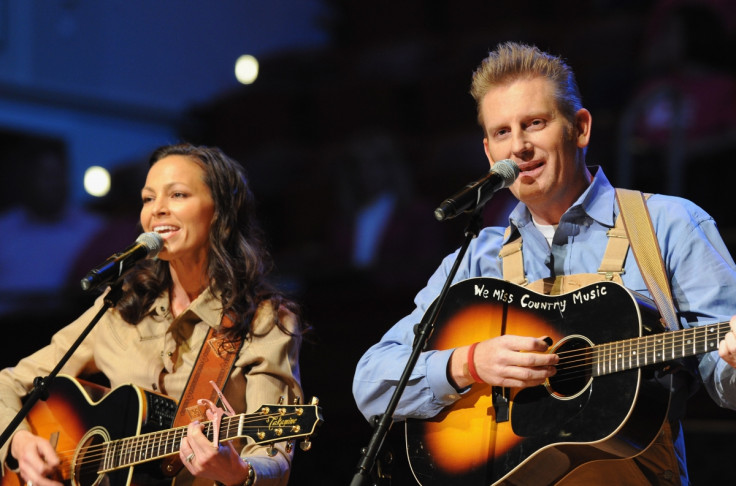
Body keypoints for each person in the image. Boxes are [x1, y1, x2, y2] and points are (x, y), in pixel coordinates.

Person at [352, 41, 736, 485]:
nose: (519, 146)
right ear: (488, 153)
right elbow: (371, 383)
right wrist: (468, 364)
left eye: (534, 123)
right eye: (502, 132)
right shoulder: (478, 257)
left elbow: (725, 385)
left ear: (581, 127)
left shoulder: (667, 225)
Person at [0, 143, 306, 486]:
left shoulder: (264, 321)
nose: (157, 209)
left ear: (220, 211)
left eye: (177, 195)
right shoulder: (120, 309)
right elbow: (6, 383)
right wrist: (21, 442)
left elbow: (272, 456)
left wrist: (239, 472)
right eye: (147, 198)